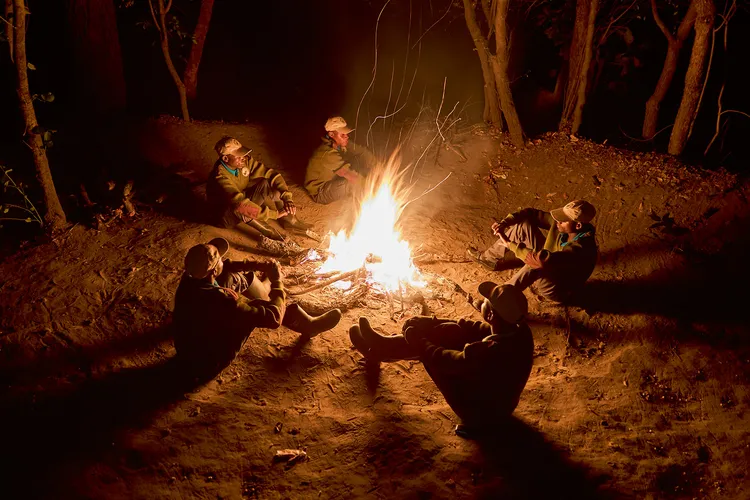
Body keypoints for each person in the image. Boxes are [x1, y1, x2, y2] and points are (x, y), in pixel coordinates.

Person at [349, 282, 533, 438]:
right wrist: (430, 322)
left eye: (486, 302)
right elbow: (475, 328)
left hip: (482, 415)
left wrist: (417, 339)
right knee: (449, 330)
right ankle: (380, 348)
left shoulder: (487, 351)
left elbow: (444, 360)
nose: (481, 304)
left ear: (491, 314)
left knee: (430, 349)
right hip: (500, 404)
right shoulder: (518, 331)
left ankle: (379, 350)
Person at [173, 237, 342, 375]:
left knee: (233, 276)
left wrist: (258, 265)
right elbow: (273, 319)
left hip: (189, 345)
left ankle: (264, 288)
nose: (223, 259)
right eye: (219, 258)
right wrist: (277, 282)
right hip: (207, 363)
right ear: (212, 271)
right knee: (257, 307)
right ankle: (308, 326)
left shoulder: (191, 277)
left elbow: (226, 267)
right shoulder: (225, 301)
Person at [468, 199, 598, 303]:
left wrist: (510, 245)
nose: (557, 221)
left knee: (534, 264)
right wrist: (506, 222)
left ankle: (500, 298)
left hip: (559, 288)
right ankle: (488, 259)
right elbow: (531, 213)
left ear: (578, 225)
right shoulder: (565, 227)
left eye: (562, 221)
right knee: (523, 226)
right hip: (550, 259)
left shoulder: (581, 248)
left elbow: (542, 259)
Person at [206, 136, 310, 237]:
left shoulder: (244, 162)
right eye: (239, 156)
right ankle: (270, 233)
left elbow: (272, 175)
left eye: (243, 154)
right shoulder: (220, 177)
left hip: (240, 197)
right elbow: (240, 205)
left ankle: (290, 221)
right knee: (241, 208)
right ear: (225, 158)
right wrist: (274, 214)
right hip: (224, 217)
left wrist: (287, 198)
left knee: (266, 183)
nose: (243, 158)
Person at [304, 116, 377, 204]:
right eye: (342, 134)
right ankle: (369, 204)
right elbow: (350, 175)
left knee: (361, 166)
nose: (346, 137)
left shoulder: (337, 142)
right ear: (331, 134)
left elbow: (362, 152)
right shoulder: (326, 153)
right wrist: (372, 186)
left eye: (346, 134)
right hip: (320, 192)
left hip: (332, 180)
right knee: (352, 184)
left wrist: (377, 166)